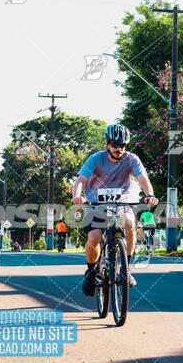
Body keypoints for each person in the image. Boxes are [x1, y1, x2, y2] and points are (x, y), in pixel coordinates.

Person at [72, 124, 158, 297]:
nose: (119, 149)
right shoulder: (95, 159)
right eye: (115, 145)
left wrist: (150, 195)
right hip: (96, 203)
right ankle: (90, 272)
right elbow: (80, 180)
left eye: (123, 145)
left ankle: (126, 270)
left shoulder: (131, 159)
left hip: (122, 201)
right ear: (107, 144)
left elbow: (143, 178)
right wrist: (77, 196)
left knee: (130, 223)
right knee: (95, 236)